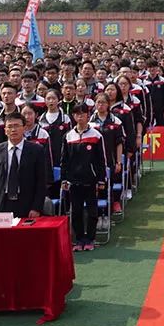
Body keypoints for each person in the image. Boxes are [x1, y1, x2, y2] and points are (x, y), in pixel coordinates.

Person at [60, 103, 108, 251]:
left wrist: (101, 179)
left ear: (88, 115)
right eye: (76, 114)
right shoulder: (68, 136)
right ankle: (79, 239)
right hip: (74, 182)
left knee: (92, 212)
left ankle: (90, 239)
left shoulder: (96, 135)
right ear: (73, 116)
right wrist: (64, 179)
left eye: (82, 114)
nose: (80, 117)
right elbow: (64, 161)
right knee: (76, 212)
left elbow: (102, 160)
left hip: (91, 180)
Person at [0, 112, 48, 219]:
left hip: (27, 204)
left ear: (24, 128)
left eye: (17, 126)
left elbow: (41, 182)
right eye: (9, 127)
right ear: (5, 130)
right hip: (1, 204)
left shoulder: (36, 150)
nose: (13, 130)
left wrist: (36, 207)